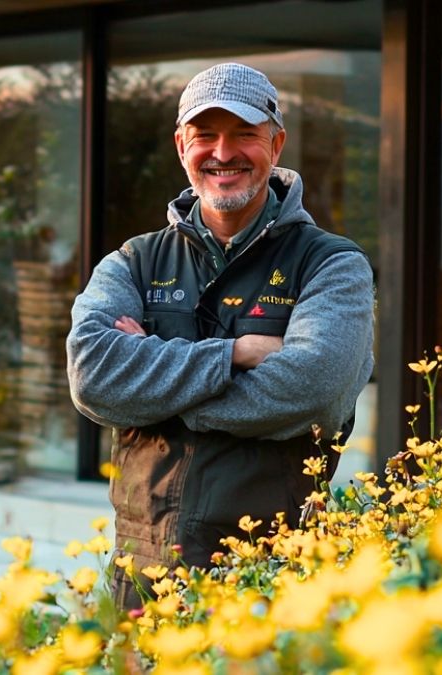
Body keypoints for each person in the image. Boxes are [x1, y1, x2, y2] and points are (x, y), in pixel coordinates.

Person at [66, 63, 374, 609]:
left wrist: (156, 393)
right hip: (142, 574)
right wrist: (235, 354)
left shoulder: (331, 265)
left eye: (245, 134)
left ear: (276, 144)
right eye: (206, 134)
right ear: (182, 144)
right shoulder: (134, 261)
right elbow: (93, 376)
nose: (223, 152)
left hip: (269, 574)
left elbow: (317, 389)